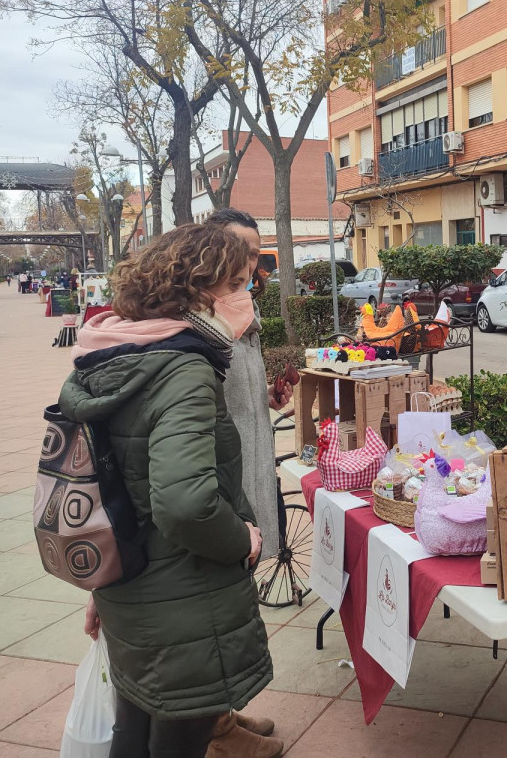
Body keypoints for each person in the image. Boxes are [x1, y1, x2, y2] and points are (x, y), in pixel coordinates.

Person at [62, 224, 274, 758]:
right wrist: (242, 542)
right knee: (176, 740)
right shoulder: (182, 370)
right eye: (241, 284)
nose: (249, 297)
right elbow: (184, 504)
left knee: (133, 732)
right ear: (203, 292)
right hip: (185, 602)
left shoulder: (113, 355)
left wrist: (101, 591)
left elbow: (113, 485)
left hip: (131, 588)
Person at [202, 209, 289, 758]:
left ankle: (223, 713)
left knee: (237, 606)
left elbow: (239, 393)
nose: (250, 265)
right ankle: (214, 732)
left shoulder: (243, 309)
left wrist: (268, 399)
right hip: (218, 489)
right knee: (217, 611)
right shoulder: (198, 321)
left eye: (256, 254)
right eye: (239, 252)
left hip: (252, 472)